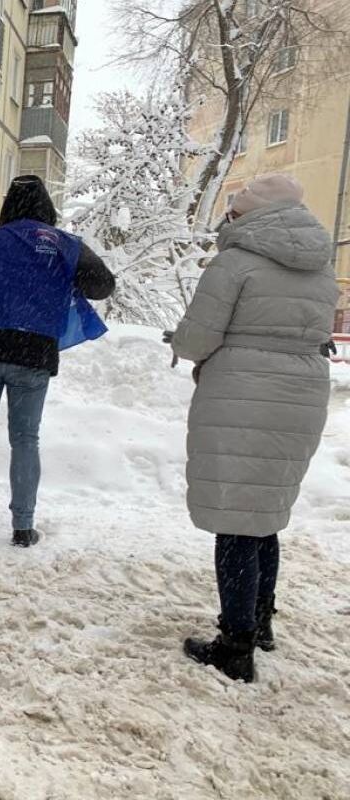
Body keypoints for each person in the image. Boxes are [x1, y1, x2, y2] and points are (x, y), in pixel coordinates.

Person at [170, 173, 338, 683]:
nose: (231, 218)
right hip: (302, 393)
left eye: (236, 210)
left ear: (251, 215)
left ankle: (235, 644)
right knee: (264, 512)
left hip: (244, 391)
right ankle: (260, 623)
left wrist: (182, 343)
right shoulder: (320, 267)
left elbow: (196, 339)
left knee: (235, 520)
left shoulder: (235, 262)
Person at [0, 175, 115, 545]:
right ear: (46, 207)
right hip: (33, 352)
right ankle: (22, 527)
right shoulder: (65, 245)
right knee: (25, 438)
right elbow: (103, 286)